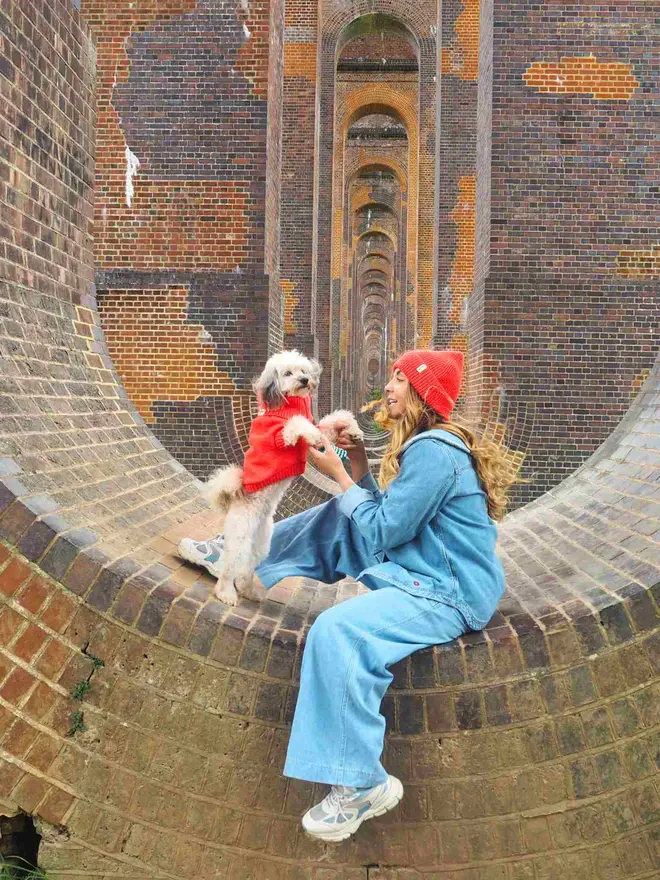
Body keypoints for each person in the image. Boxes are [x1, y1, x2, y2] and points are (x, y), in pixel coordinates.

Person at [178, 350, 519, 842]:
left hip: (447, 591)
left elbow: (384, 531)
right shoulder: (424, 445)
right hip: (422, 566)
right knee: (341, 517)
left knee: (338, 632)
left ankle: (362, 783)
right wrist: (355, 461)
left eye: (401, 379)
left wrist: (339, 477)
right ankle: (234, 556)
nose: (389, 386)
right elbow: (387, 517)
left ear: (424, 395)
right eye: (391, 375)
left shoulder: (434, 451)